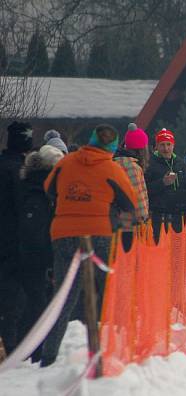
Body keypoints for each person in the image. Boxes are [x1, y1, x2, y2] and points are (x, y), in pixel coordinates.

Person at [40, 124, 137, 367]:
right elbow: (130, 203)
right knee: (107, 292)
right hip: (99, 236)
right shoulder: (112, 169)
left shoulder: (66, 162)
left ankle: (49, 356)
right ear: (113, 147)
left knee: (64, 296)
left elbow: (48, 189)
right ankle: (112, 348)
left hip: (63, 234)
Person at [13, 145, 64, 362]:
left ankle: (29, 348)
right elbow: (35, 231)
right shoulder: (37, 191)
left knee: (36, 303)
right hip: (32, 257)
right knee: (36, 304)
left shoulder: (36, 188)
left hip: (33, 255)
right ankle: (29, 350)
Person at [0, 121, 33, 356]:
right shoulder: (20, 171)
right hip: (13, 239)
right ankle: (11, 343)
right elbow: (23, 208)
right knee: (13, 292)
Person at [144, 128, 186, 239]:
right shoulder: (149, 163)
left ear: (173, 146)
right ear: (156, 146)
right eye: (162, 145)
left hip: (178, 217)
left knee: (176, 253)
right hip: (157, 218)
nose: (166, 148)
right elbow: (143, 190)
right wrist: (162, 183)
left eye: (169, 144)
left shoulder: (181, 164)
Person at [113, 123, 150, 251]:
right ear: (141, 149)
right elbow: (137, 196)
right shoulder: (132, 167)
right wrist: (143, 219)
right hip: (129, 222)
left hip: (115, 219)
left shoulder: (116, 161)